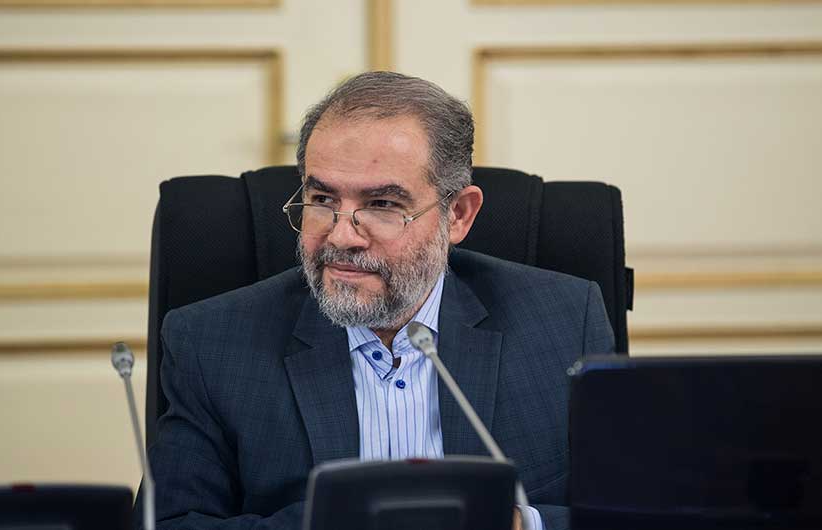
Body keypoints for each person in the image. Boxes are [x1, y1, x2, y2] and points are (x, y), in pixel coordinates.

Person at [139, 71, 615, 530]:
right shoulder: (211, 344)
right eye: (322, 199)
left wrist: (520, 523)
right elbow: (171, 524)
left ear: (457, 215)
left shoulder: (564, 323)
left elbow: (634, 512)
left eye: (383, 205)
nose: (341, 236)